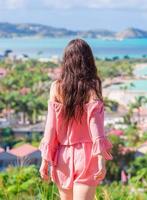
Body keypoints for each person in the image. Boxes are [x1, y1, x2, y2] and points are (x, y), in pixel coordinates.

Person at [38, 38, 113, 200]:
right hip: (87, 155)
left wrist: (45, 160)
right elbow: (95, 125)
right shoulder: (92, 86)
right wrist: (101, 158)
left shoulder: (56, 88)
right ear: (88, 60)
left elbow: (50, 127)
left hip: (62, 155)